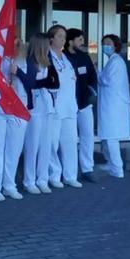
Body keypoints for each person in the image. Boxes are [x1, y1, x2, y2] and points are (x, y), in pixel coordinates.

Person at [0, 38, 32, 201]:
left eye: (18, 43)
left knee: (14, 150)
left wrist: (17, 72)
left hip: (17, 109)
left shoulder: (25, 61)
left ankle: (9, 185)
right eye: (12, 42)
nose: (15, 46)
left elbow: (31, 83)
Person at [47, 25, 82, 189]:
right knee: (53, 143)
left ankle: (70, 175)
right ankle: (54, 175)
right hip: (55, 107)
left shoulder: (66, 58)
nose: (62, 39)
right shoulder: (47, 56)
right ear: (51, 38)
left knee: (70, 142)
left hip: (69, 106)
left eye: (64, 36)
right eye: (59, 36)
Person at [23, 33, 58, 195]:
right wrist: (44, 83)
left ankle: (42, 178)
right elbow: (30, 83)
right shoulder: (30, 62)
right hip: (34, 108)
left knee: (45, 144)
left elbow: (55, 82)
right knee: (32, 145)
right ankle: (29, 180)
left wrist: (42, 83)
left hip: (47, 106)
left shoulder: (48, 61)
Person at [64, 28, 98, 183]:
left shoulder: (84, 56)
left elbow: (92, 77)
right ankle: (65, 171)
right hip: (67, 104)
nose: (82, 43)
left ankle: (87, 168)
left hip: (84, 103)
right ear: (70, 41)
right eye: (79, 40)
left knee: (87, 136)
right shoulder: (62, 57)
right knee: (66, 139)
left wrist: (89, 90)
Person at [96, 34, 130, 179]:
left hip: (114, 106)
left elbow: (106, 80)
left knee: (111, 137)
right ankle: (111, 163)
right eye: (104, 43)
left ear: (115, 45)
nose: (106, 45)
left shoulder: (116, 62)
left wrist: (96, 73)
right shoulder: (112, 61)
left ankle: (117, 168)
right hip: (110, 104)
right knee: (107, 136)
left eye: (109, 43)